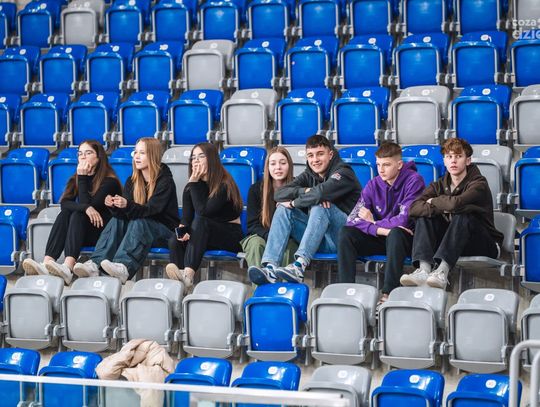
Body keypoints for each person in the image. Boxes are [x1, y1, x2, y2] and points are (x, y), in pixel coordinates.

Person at [248, 134, 362, 285]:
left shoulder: (343, 172)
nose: (315, 160)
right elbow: (279, 194)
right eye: (311, 155)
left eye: (320, 154)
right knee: (283, 208)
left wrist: (294, 203)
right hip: (318, 239)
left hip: (343, 239)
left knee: (320, 205)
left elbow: (320, 194)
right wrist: (305, 191)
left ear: (330, 154)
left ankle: (299, 266)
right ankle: (270, 268)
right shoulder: (309, 175)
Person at [73, 137, 179, 283]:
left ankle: (124, 267)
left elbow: (152, 210)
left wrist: (127, 205)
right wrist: (114, 206)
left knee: (140, 222)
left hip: (165, 234)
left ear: (153, 155)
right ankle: (95, 264)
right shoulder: (132, 181)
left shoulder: (165, 181)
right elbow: (127, 213)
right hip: (141, 234)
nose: (137, 156)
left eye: (142, 153)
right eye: (136, 152)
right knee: (118, 220)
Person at [400, 138, 504, 289]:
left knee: (464, 214)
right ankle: (423, 270)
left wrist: (433, 201)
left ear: (468, 160)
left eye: (458, 156)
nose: (453, 161)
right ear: (444, 160)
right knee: (424, 216)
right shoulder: (438, 185)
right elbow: (414, 208)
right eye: (449, 156)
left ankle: (442, 272)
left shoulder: (479, 183)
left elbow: (455, 204)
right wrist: (443, 207)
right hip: (454, 243)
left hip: (483, 243)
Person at [22, 140, 123, 284]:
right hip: (81, 231)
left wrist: (83, 180)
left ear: (99, 157)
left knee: (78, 213)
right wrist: (85, 207)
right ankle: (47, 262)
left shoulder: (110, 182)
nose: (83, 157)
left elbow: (90, 204)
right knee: (65, 214)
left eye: (88, 153)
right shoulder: (77, 177)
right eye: (80, 154)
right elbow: (65, 204)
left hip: (102, 234)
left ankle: (68, 267)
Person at [337, 142, 425, 303]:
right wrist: (381, 230)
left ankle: (388, 294)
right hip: (382, 237)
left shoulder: (414, 181)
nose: (381, 170)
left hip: (406, 240)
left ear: (399, 164)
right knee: (346, 233)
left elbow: (404, 219)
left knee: (396, 233)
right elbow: (352, 219)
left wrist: (374, 223)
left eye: (386, 165)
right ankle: (346, 292)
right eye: (378, 164)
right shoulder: (373, 184)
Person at [164, 142, 243, 290]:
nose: (196, 161)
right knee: (175, 240)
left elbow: (203, 212)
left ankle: (188, 275)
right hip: (203, 234)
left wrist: (193, 183)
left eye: (201, 156)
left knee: (201, 221)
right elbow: (186, 219)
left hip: (230, 236)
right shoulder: (191, 186)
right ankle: (180, 286)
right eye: (193, 158)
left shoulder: (224, 184)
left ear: (211, 159)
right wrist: (182, 233)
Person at [241, 146, 298, 268]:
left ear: (289, 165)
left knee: (289, 247)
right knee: (256, 244)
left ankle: (282, 281)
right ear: (267, 167)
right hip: (261, 235)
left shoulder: (298, 188)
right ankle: (259, 281)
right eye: (273, 164)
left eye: (282, 163)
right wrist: (271, 237)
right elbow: (252, 225)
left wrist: (280, 238)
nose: (278, 167)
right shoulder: (256, 189)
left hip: (289, 237)